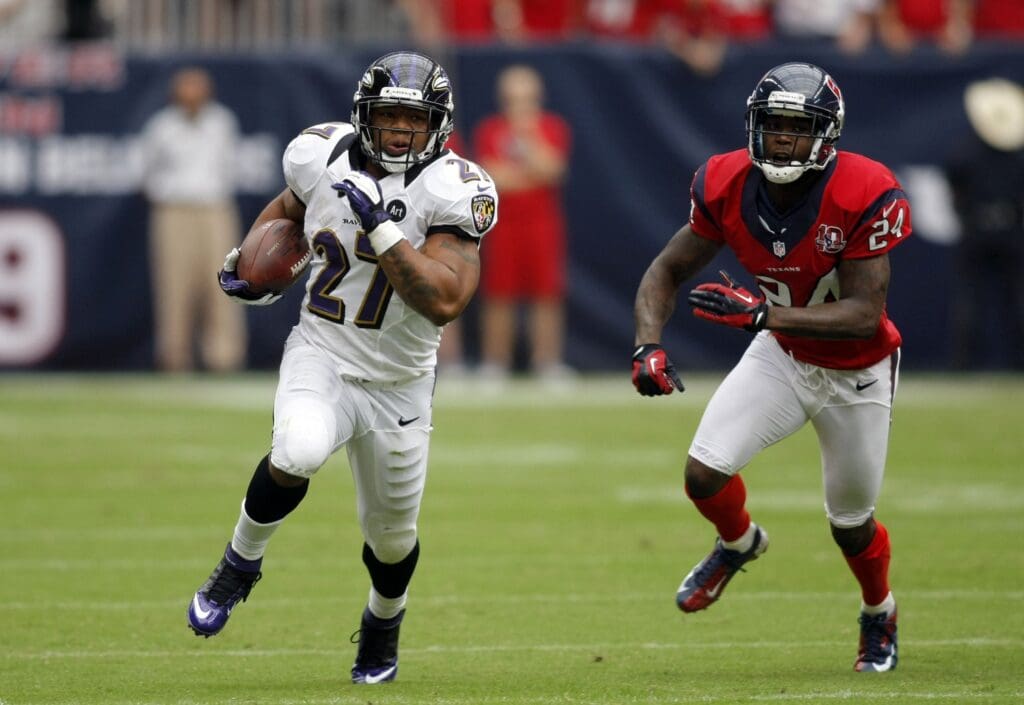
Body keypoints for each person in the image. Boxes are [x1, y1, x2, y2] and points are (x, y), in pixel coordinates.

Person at [186, 51, 498, 685]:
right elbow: (287, 210)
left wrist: (383, 230)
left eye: (413, 119)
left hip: (400, 384)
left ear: (438, 125)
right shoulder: (320, 155)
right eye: (387, 116)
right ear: (363, 115)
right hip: (322, 352)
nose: (399, 131)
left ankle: (384, 621)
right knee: (297, 450)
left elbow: (443, 299)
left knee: (391, 537)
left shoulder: (457, 189)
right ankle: (239, 564)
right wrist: (254, 265)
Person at [632, 62, 910, 672]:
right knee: (703, 473)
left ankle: (878, 611)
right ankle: (738, 543)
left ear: (827, 134)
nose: (782, 138)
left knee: (851, 524)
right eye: (773, 124)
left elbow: (866, 313)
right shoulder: (727, 180)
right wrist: (647, 343)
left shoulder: (864, 189)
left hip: (855, 372)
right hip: (781, 353)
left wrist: (764, 318)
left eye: (797, 126)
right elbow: (666, 270)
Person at [140, 67, 245, 372]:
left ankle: (224, 358)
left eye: (197, 89)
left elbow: (229, 166)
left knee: (223, 282)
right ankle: (174, 358)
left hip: (215, 208)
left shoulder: (222, 122)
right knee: (174, 285)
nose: (192, 96)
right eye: (186, 89)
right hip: (174, 211)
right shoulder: (161, 127)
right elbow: (147, 173)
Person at [473, 64, 572, 381]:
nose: (520, 105)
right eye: (513, 98)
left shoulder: (552, 128)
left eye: (526, 98)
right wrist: (530, 175)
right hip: (503, 225)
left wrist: (526, 139)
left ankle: (547, 362)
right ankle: (495, 362)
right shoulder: (489, 130)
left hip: (542, 225)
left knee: (546, 294)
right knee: (499, 293)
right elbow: (493, 178)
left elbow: (552, 170)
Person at [945, 77, 1024, 369]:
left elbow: (954, 187)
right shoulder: (1016, 156)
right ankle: (1011, 364)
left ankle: (964, 365)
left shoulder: (965, 151)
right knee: (1001, 300)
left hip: (979, 230)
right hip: (1005, 230)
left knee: (976, 300)